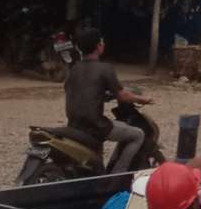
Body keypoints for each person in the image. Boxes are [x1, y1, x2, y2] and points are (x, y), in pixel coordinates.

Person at [64, 26, 153, 173]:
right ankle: (116, 177)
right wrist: (142, 99)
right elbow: (123, 95)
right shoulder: (105, 69)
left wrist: (101, 96)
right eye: (102, 42)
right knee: (138, 135)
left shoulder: (73, 69)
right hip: (95, 126)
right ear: (99, 46)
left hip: (74, 125)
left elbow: (76, 90)